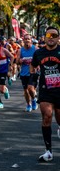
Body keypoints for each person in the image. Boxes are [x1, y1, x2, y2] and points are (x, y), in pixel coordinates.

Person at [28, 27, 60, 162]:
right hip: (45, 89)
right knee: (47, 117)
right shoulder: (39, 53)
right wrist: (32, 82)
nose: (51, 37)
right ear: (45, 37)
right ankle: (48, 151)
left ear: (58, 38)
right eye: (49, 35)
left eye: (54, 35)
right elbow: (33, 66)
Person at [16, 34, 38, 112]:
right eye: (25, 39)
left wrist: (37, 66)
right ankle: (29, 104)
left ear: (31, 40)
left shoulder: (35, 49)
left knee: (31, 89)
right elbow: (17, 61)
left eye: (28, 39)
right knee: (26, 90)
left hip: (33, 72)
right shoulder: (20, 50)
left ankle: (34, 99)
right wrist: (20, 61)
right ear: (23, 40)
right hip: (24, 73)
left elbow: (39, 60)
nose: (27, 40)